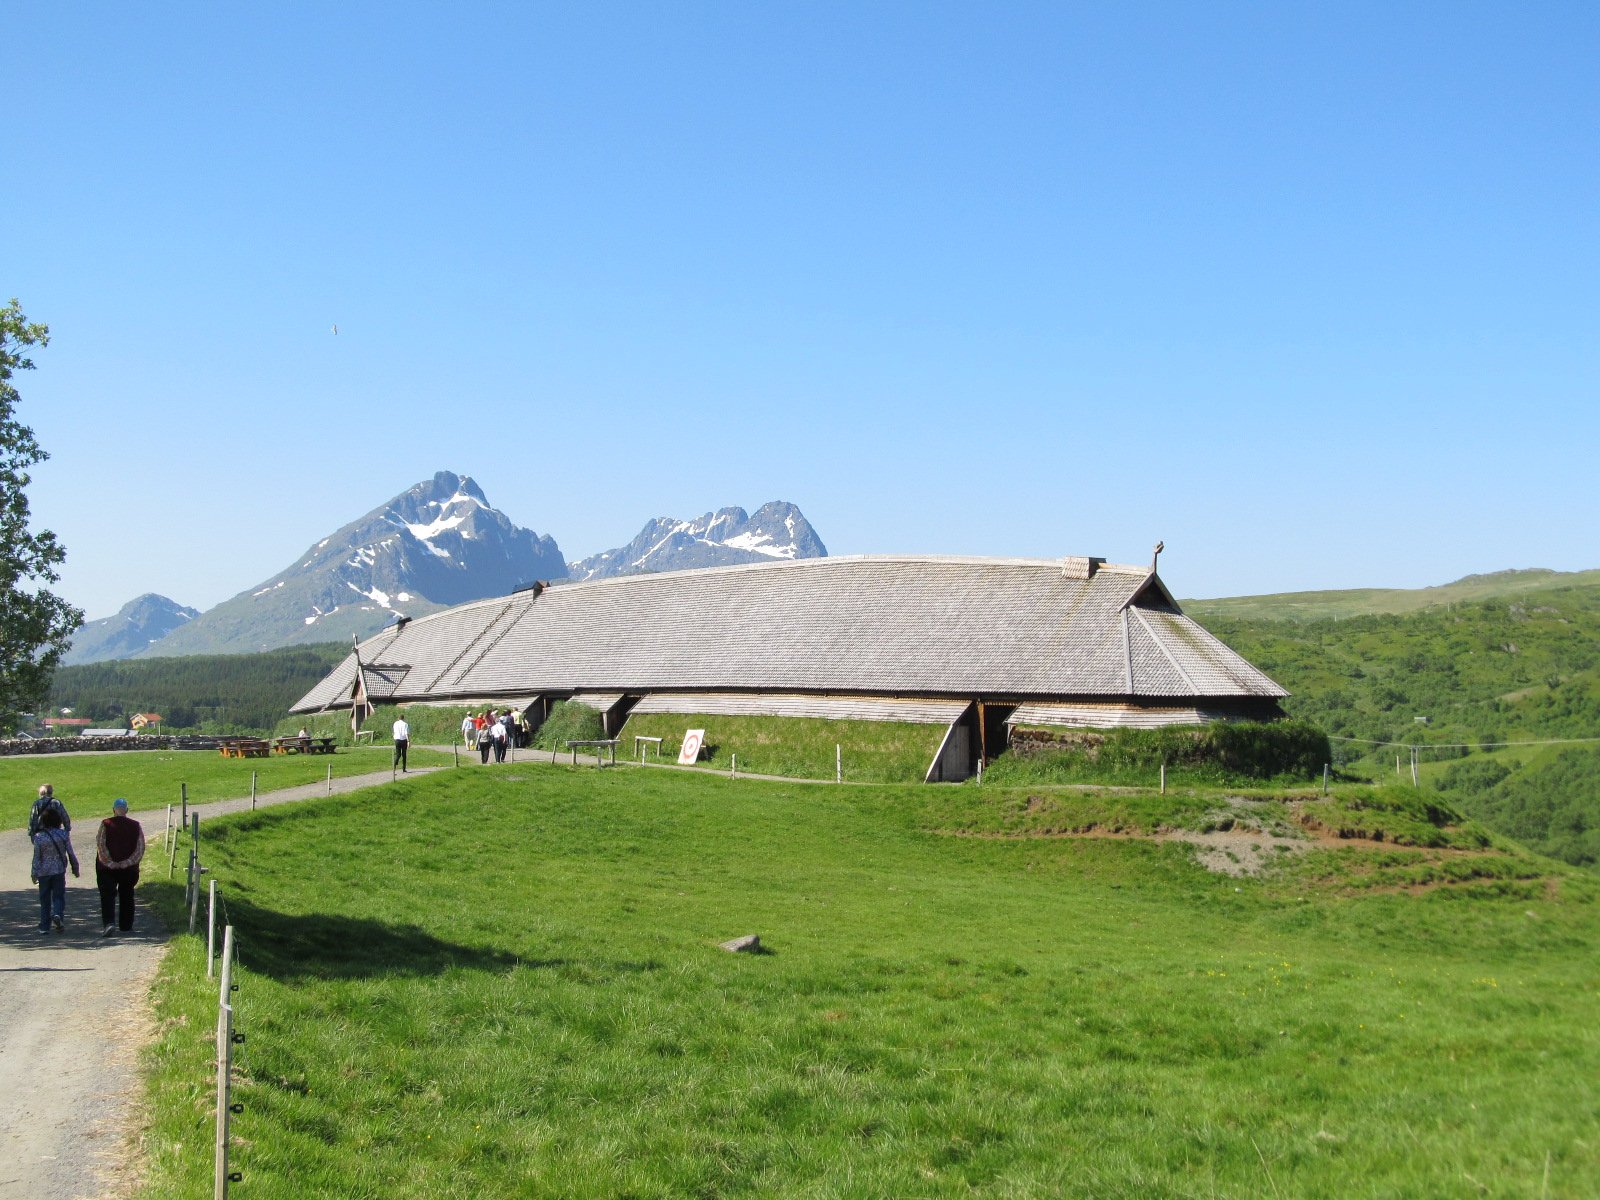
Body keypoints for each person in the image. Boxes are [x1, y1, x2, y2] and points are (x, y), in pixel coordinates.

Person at [96, 797, 145, 935]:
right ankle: (126, 925)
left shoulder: (106, 824)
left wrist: (110, 862)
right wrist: (127, 862)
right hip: (128, 869)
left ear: (113, 810)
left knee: (107, 895)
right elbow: (140, 848)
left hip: (107, 869)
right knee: (127, 894)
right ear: (127, 810)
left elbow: (101, 844)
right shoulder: (135, 825)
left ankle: (109, 923)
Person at [30, 807, 79, 934]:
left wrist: (34, 873)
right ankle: (58, 916)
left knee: (44, 899)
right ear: (58, 821)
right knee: (58, 897)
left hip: (44, 872)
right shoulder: (63, 835)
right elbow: (70, 853)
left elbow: (37, 857)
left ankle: (44, 926)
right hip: (58, 870)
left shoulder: (39, 837)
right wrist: (75, 867)